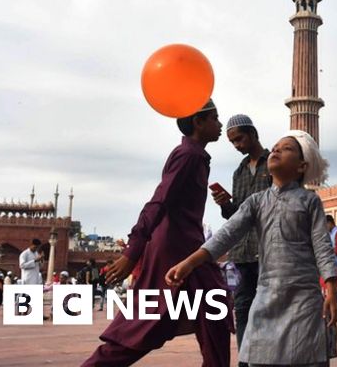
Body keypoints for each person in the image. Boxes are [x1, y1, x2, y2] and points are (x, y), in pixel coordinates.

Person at [168, 129, 337, 366]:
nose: (277, 149)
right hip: (267, 294)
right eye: (276, 146)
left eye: (287, 148)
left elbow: (322, 244)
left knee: (306, 357)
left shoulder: (309, 201)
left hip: (304, 298)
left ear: (301, 166)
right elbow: (227, 235)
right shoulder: (257, 202)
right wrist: (189, 263)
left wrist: (331, 289)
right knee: (259, 356)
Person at [83, 100, 232, 367]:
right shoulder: (189, 156)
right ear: (199, 122)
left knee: (209, 312)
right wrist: (133, 252)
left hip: (187, 247)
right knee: (149, 321)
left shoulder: (195, 155)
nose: (220, 125)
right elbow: (159, 201)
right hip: (176, 250)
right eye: (215, 118)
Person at [210, 113, 271, 365]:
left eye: (239, 139)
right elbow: (238, 216)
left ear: (253, 133)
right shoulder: (239, 172)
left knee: (268, 308)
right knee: (243, 307)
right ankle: (246, 360)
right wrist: (226, 206)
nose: (237, 146)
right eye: (232, 142)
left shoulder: (274, 163)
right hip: (243, 252)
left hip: (268, 249)